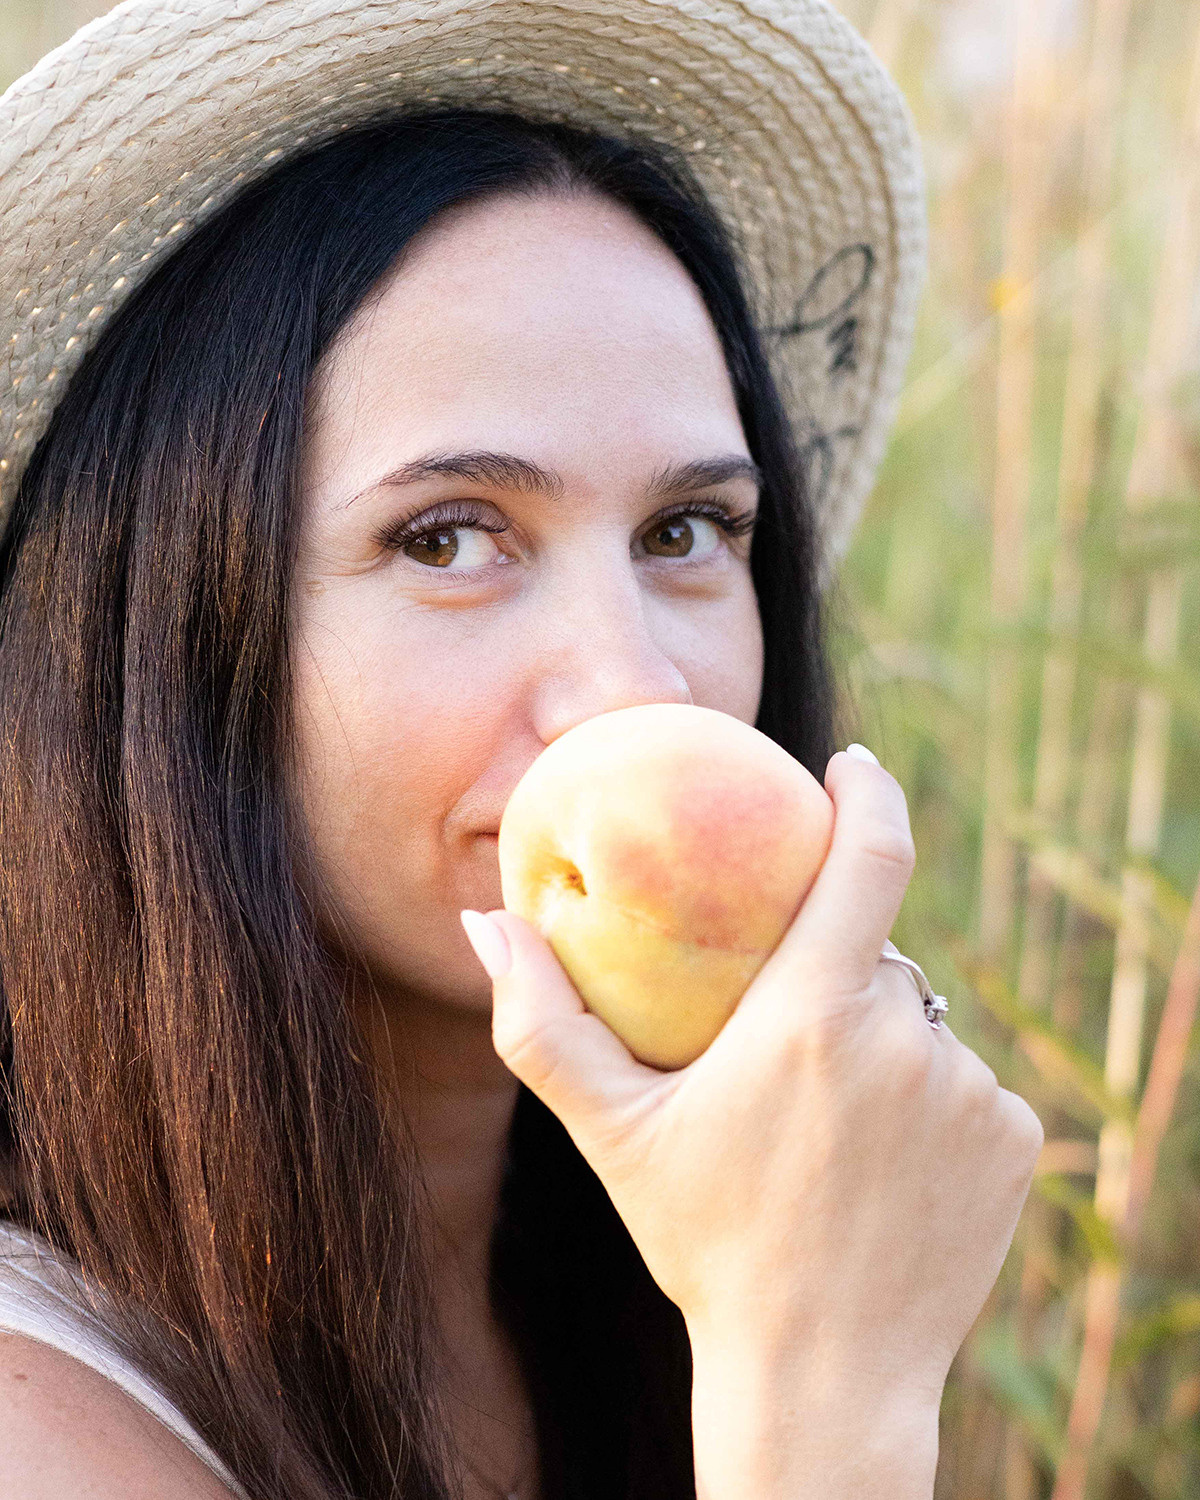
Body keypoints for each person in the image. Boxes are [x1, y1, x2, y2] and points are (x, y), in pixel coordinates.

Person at [0, 3, 1044, 1498]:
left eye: (686, 531)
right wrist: (826, 1396)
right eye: (447, 538)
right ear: (163, 629)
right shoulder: (41, 1430)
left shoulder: (653, 1291)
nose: (634, 687)